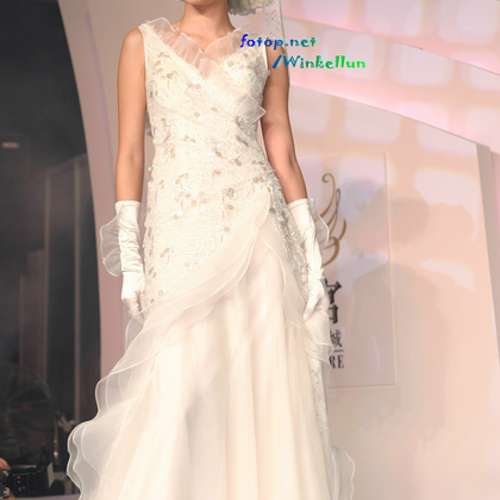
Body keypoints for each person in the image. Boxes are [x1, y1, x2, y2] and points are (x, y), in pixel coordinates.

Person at [66, 0, 355, 498]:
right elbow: (130, 152)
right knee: (178, 387)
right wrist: (130, 257)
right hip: (180, 238)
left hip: (258, 231)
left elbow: (283, 152)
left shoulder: (267, 50)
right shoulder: (142, 45)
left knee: (261, 382)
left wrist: (310, 253)